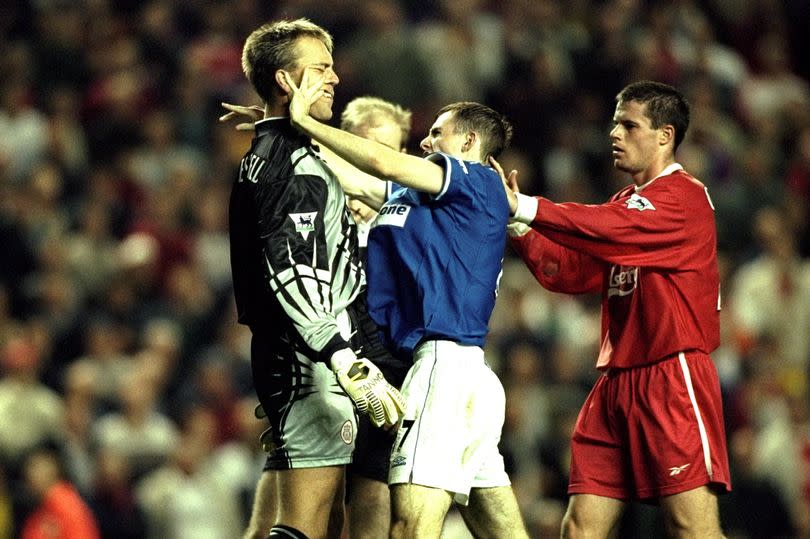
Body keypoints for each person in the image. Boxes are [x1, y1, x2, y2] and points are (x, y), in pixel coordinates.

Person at [285, 69, 529, 538]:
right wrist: (280, 127)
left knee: (409, 528)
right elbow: (354, 179)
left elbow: (384, 162)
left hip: (443, 371)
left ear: (469, 141)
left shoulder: (474, 179)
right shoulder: (424, 198)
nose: (424, 142)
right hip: (461, 376)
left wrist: (309, 121)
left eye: (438, 133)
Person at [498, 80, 731, 538]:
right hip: (615, 383)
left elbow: (609, 228)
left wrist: (527, 206)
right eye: (614, 123)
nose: (614, 134)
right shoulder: (623, 206)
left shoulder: (685, 197)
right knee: (580, 527)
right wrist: (516, 223)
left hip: (672, 375)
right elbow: (569, 271)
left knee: (691, 528)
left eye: (628, 125)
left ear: (665, 135)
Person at [229, 19, 404, 539]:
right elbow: (294, 273)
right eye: (321, 68)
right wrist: (347, 361)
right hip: (310, 364)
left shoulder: (265, 157)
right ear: (287, 81)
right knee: (301, 530)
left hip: (295, 356)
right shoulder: (296, 168)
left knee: (315, 525)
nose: (334, 77)